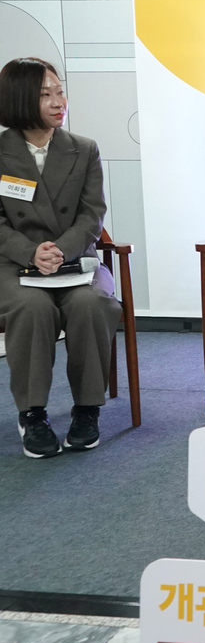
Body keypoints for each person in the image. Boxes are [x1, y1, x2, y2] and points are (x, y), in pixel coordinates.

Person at [0, 57, 121, 456]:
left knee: (92, 303)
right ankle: (32, 414)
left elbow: (92, 214)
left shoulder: (83, 149)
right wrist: (31, 251)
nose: (58, 102)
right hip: (15, 263)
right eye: (45, 95)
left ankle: (87, 409)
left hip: (76, 259)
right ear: (18, 100)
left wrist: (61, 249)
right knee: (31, 307)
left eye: (60, 91)